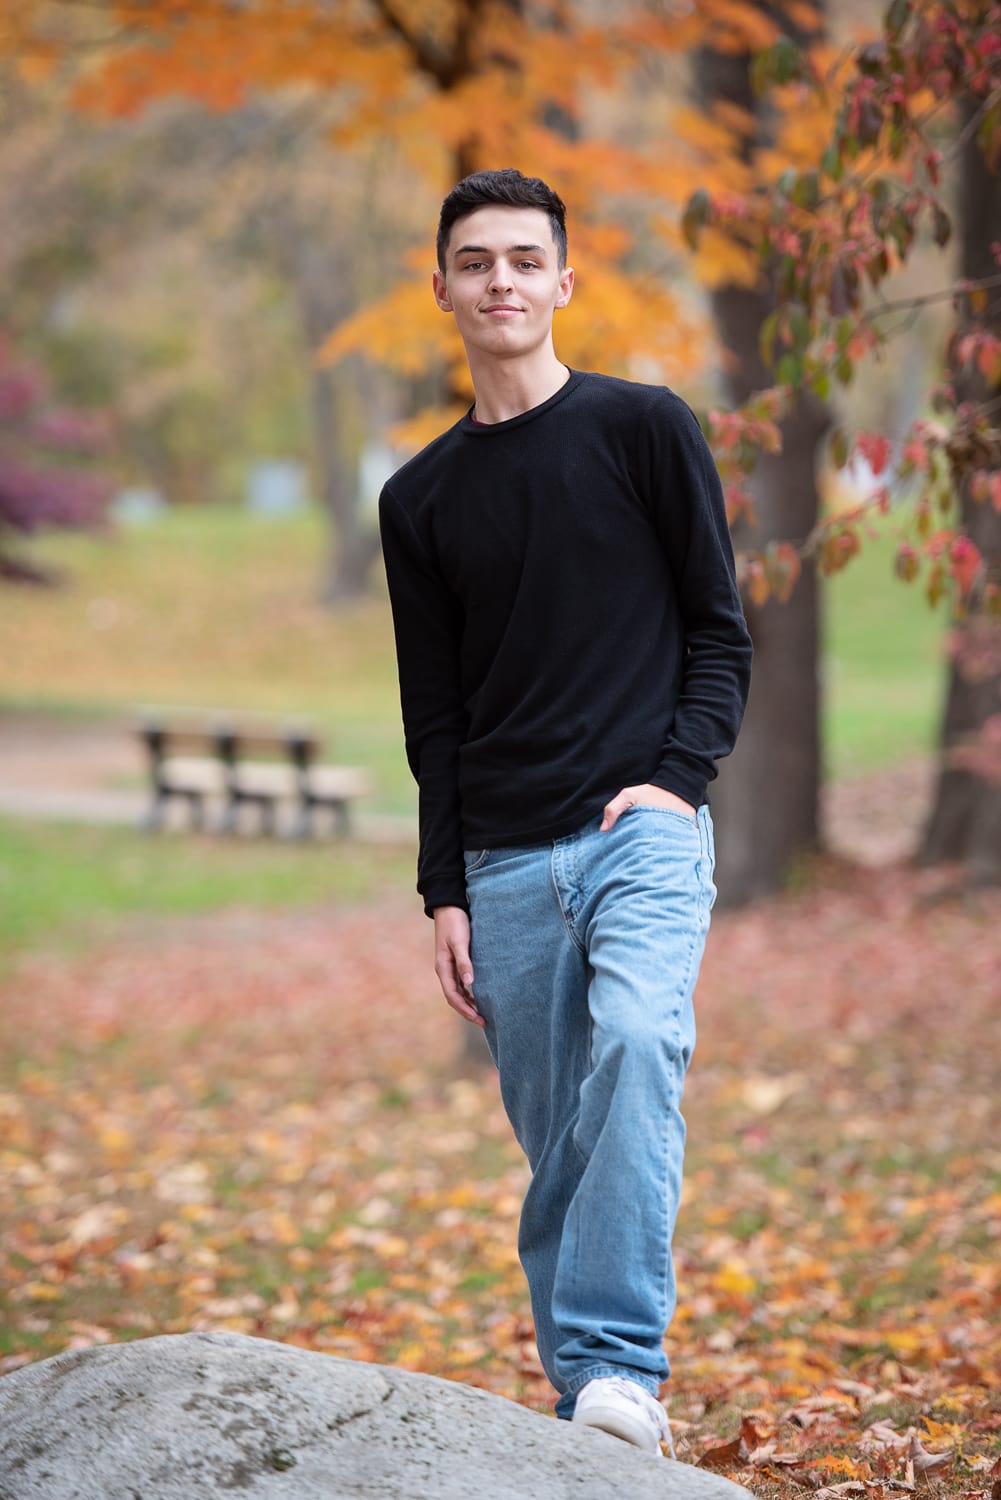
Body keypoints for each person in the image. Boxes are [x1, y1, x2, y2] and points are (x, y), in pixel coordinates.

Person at [378, 168, 752, 1456]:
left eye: (526, 261)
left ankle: (614, 1372)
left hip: (638, 827)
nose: (502, 283)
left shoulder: (646, 429)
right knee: (559, 1146)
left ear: (564, 283)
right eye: (476, 263)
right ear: (441, 290)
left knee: (640, 1046)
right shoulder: (416, 500)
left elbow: (719, 630)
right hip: (501, 856)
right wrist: (444, 890)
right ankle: (583, 1406)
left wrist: (680, 778)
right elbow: (434, 717)